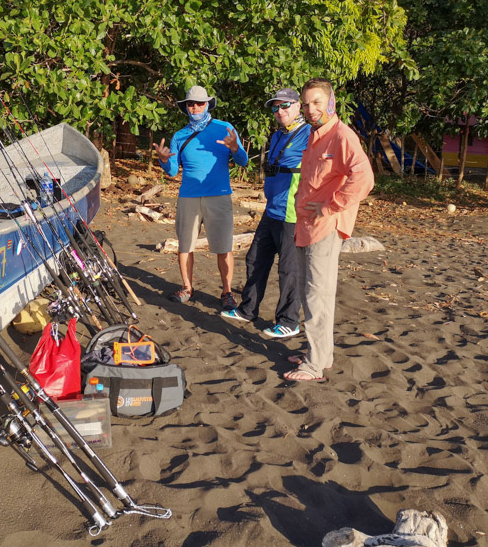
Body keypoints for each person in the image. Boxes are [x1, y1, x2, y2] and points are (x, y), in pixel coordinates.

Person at [283, 78, 374, 382]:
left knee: (316, 296)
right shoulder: (314, 136)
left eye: (317, 102)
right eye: (307, 104)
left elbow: (364, 178)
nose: (311, 109)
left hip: (324, 227)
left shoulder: (341, 135)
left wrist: (329, 206)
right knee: (311, 293)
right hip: (305, 227)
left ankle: (314, 364)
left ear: (331, 102)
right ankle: (320, 354)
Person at [221, 88, 311, 339]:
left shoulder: (310, 134)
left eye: (284, 106)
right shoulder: (277, 136)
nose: (279, 112)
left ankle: (289, 321)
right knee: (255, 260)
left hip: (292, 214)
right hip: (271, 209)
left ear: (297, 106)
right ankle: (248, 309)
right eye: (275, 108)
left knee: (288, 270)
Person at [153, 85, 248, 308]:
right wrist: (164, 160)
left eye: (199, 103)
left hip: (219, 196)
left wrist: (235, 148)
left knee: (224, 247)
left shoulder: (225, 128)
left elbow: (243, 162)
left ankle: (227, 292)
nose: (195, 107)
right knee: (185, 246)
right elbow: (173, 171)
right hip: (189, 197)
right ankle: (187, 287)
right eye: (191, 104)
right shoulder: (180, 135)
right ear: (186, 107)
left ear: (208, 104)